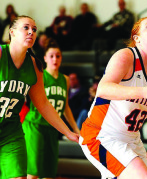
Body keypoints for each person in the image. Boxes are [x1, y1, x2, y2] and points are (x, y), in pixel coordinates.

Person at [79, 17, 147, 179]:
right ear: (137, 38)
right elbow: (102, 89)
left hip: (133, 140)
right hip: (102, 136)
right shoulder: (126, 57)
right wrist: (145, 92)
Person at [0, 15, 78, 179]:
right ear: (12, 32)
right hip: (31, 127)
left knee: (19, 176)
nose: (31, 32)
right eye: (26, 28)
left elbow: (43, 104)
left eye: (34, 29)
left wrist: (68, 132)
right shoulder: (1, 54)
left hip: (10, 131)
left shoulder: (35, 65)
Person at [23, 39, 80, 179]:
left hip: (53, 129)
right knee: (33, 172)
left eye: (58, 56)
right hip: (35, 126)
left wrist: (75, 129)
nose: (55, 59)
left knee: (49, 172)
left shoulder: (65, 80)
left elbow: (65, 107)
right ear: (45, 58)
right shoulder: (39, 76)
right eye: (51, 56)